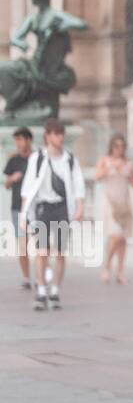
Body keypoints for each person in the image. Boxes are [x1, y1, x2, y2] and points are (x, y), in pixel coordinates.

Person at [19, 117, 87, 311]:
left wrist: (79, 206)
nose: (60, 137)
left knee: (59, 253)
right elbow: (28, 187)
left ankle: (55, 290)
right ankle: (41, 291)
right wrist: (24, 214)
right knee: (42, 253)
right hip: (43, 209)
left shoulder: (70, 159)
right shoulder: (37, 158)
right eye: (56, 134)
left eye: (61, 133)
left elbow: (78, 183)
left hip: (62, 209)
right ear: (47, 136)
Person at [94, 134, 133, 284]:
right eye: (116, 146)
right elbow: (97, 176)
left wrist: (128, 174)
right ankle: (106, 266)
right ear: (111, 147)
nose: (119, 149)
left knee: (123, 238)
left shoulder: (128, 162)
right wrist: (111, 167)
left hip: (124, 201)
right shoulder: (104, 160)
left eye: (122, 146)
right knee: (115, 235)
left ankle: (120, 271)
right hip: (110, 202)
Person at [4, 127, 34, 289]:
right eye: (16, 140)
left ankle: (44, 274)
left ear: (29, 140)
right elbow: (6, 185)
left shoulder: (37, 158)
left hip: (36, 207)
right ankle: (26, 277)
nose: (18, 143)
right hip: (17, 207)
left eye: (20, 139)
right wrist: (12, 179)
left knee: (42, 242)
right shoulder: (13, 160)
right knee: (22, 243)